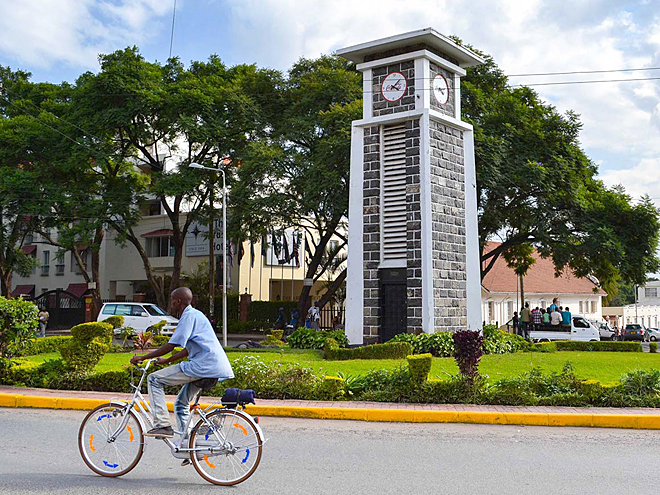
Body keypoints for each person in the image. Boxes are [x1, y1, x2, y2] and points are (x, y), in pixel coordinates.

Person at [130, 287, 234, 439]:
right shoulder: (196, 315)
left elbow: (172, 345)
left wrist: (143, 357)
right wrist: (167, 361)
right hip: (214, 367)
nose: (171, 305)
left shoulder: (188, 316)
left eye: (172, 301)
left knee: (153, 379)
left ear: (178, 302)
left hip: (203, 366)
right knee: (180, 405)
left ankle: (162, 425)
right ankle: (189, 446)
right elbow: (187, 349)